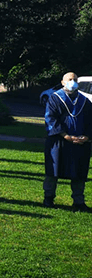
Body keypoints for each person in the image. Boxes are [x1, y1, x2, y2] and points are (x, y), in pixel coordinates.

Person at [43, 72, 92, 211]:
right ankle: (49, 198)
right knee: (53, 171)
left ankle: (78, 201)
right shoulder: (55, 98)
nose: (73, 82)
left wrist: (87, 136)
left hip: (80, 143)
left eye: (75, 80)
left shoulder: (85, 101)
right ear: (63, 82)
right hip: (59, 141)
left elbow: (90, 121)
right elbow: (50, 118)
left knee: (79, 172)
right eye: (70, 79)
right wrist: (65, 135)